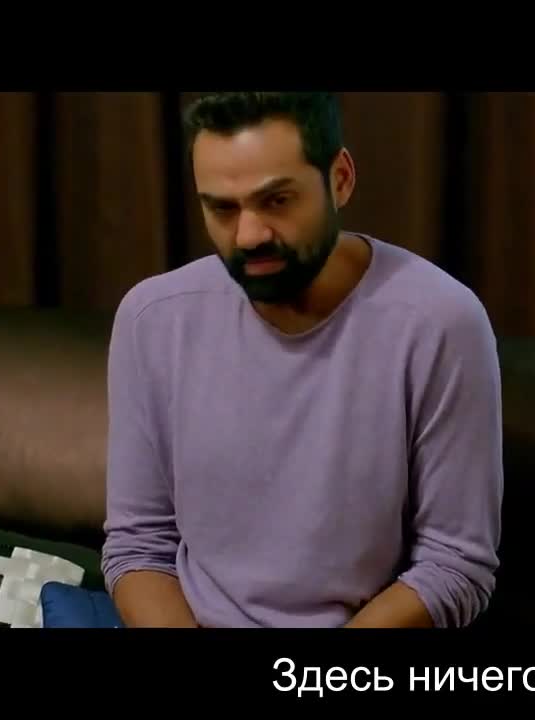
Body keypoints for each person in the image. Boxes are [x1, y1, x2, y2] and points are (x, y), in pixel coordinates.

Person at [99, 92, 504, 628]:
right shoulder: (152, 318)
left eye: (277, 200)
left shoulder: (440, 323)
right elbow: (138, 546)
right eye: (222, 208)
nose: (249, 235)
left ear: (340, 179)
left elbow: (455, 565)